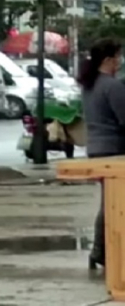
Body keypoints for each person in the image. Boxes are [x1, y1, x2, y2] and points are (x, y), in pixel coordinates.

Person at [77, 38, 125, 269]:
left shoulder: (90, 84)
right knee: (113, 204)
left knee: (110, 202)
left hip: (96, 149)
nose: (120, 61)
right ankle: (100, 250)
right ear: (108, 59)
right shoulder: (112, 86)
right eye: (118, 57)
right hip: (114, 149)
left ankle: (100, 251)